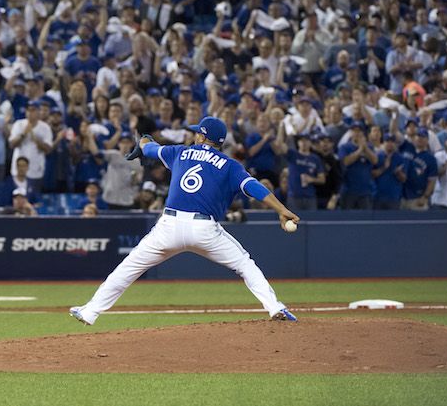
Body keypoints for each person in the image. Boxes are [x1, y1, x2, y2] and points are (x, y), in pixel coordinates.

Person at [70, 116, 299, 326]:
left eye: (196, 132)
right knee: (245, 264)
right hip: (204, 230)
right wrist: (281, 209)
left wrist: (144, 140)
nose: (194, 135)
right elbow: (254, 187)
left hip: (168, 226)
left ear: (201, 136)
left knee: (128, 268)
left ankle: (90, 311)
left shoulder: (180, 152)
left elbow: (149, 148)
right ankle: (275, 307)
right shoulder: (230, 166)